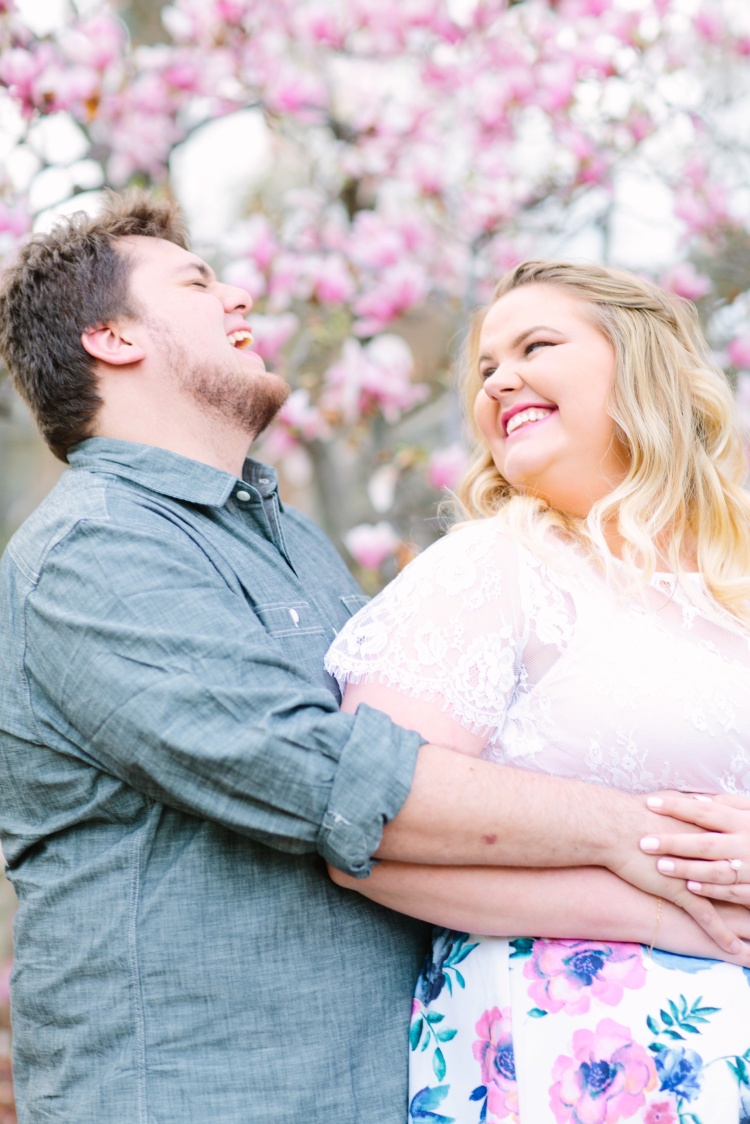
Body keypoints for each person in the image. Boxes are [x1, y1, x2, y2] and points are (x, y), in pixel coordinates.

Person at [0, 195, 743, 1123]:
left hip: (366, 1084)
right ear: (111, 337)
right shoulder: (92, 553)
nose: (237, 296)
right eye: (197, 282)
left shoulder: (288, 541)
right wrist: (656, 854)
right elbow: (329, 781)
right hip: (204, 1094)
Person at [325, 260, 750, 1121]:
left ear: (640, 365)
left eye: (536, 345)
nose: (499, 380)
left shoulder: (732, 592)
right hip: (567, 1053)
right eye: (485, 368)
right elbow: (363, 829)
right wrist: (665, 914)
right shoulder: (496, 568)